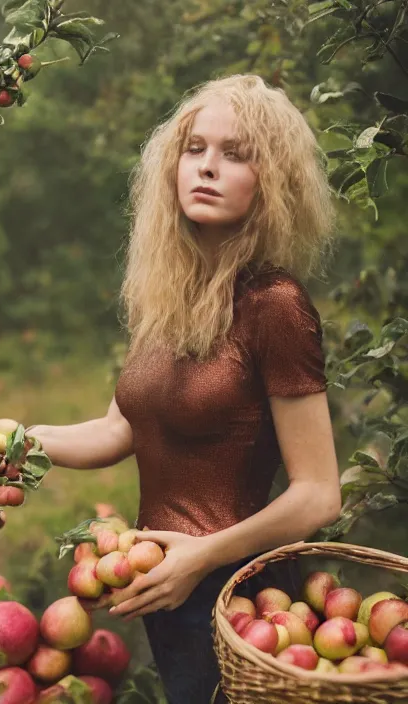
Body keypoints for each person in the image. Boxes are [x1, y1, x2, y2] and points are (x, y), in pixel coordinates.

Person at [24, 73, 342, 703]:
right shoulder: (168, 299)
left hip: (241, 597)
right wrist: (14, 443)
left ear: (271, 182)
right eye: (195, 149)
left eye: (236, 154)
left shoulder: (273, 305)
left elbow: (318, 495)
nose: (207, 168)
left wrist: (200, 558)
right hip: (162, 589)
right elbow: (119, 430)